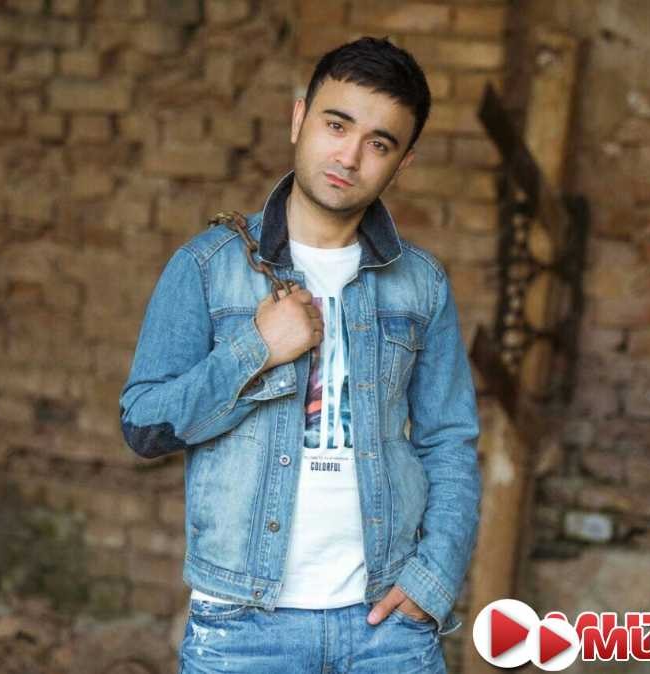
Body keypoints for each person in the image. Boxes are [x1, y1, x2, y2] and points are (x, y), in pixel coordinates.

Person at [119, 36, 481, 674]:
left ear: (403, 162)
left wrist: (434, 578)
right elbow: (144, 425)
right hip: (241, 628)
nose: (349, 156)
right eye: (336, 125)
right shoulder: (206, 267)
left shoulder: (421, 284)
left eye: (378, 143)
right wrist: (255, 349)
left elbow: (449, 439)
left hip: (388, 628)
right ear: (298, 119)